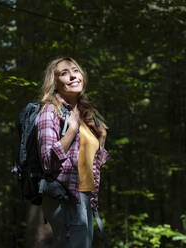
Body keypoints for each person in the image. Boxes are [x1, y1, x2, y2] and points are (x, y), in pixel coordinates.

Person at [35, 57, 110, 247]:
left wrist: (102, 136)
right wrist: (72, 130)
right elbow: (47, 162)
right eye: (63, 73)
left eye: (75, 70)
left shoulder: (84, 113)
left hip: (85, 198)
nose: (72, 76)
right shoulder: (50, 111)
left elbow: (94, 164)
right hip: (65, 197)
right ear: (55, 83)